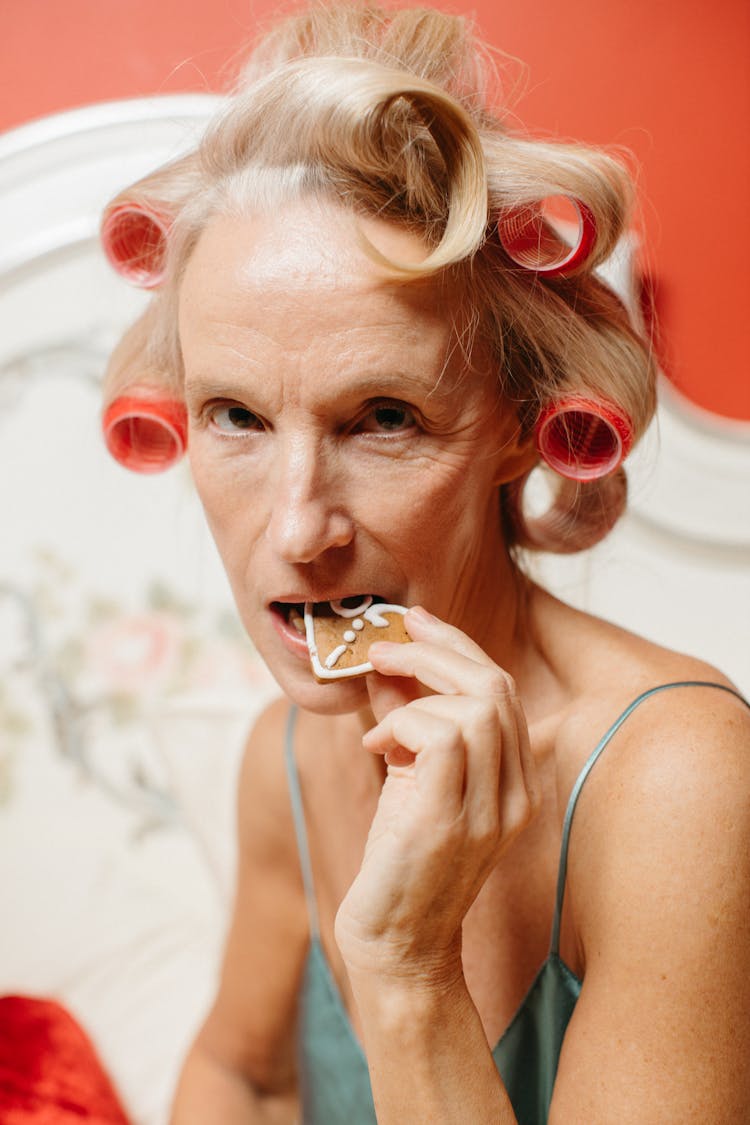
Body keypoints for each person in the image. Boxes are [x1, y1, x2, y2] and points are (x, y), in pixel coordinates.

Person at [99, 5, 750, 1122]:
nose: (300, 532)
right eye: (237, 416)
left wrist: (407, 969)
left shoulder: (678, 786)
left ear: (516, 420)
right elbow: (239, 1070)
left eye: (384, 418)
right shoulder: (288, 755)